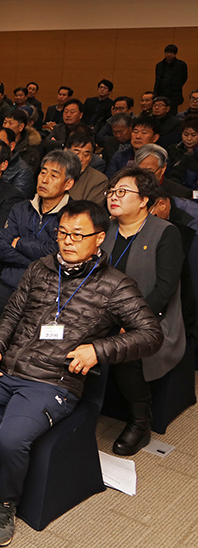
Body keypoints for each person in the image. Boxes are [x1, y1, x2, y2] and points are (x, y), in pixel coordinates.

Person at [0, 200, 163, 547]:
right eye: (62, 234)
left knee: (11, 438)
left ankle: (4, 502)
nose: (67, 242)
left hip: (52, 381)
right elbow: (11, 313)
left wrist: (98, 350)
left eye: (78, 235)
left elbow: (151, 334)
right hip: (7, 367)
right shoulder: (40, 268)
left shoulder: (116, 285)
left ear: (99, 238)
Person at [102, 166, 185, 456]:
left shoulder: (165, 232)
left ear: (144, 200)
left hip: (152, 319)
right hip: (106, 311)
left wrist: (133, 321)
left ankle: (140, 421)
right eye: (112, 191)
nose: (114, 197)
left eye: (122, 192)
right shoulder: (105, 229)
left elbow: (164, 290)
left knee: (126, 347)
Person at [0, 150, 79, 320]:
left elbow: (58, 253)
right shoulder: (21, 208)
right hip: (10, 283)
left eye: (54, 176)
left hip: (48, 290)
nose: (45, 180)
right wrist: (36, 262)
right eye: (43, 172)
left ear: (68, 184)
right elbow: (2, 245)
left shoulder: (74, 215)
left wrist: (20, 243)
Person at [67, 134, 109, 204]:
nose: (80, 159)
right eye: (76, 153)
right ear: (66, 151)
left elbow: (90, 211)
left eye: (86, 155)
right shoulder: (53, 171)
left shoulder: (99, 180)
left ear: (91, 157)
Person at [155, 44, 188, 114]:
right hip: (161, 92)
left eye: (171, 53)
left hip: (174, 94)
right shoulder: (159, 65)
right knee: (159, 111)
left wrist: (176, 85)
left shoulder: (181, 65)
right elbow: (157, 79)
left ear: (175, 54)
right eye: (167, 52)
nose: (169, 54)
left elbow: (184, 78)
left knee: (172, 113)